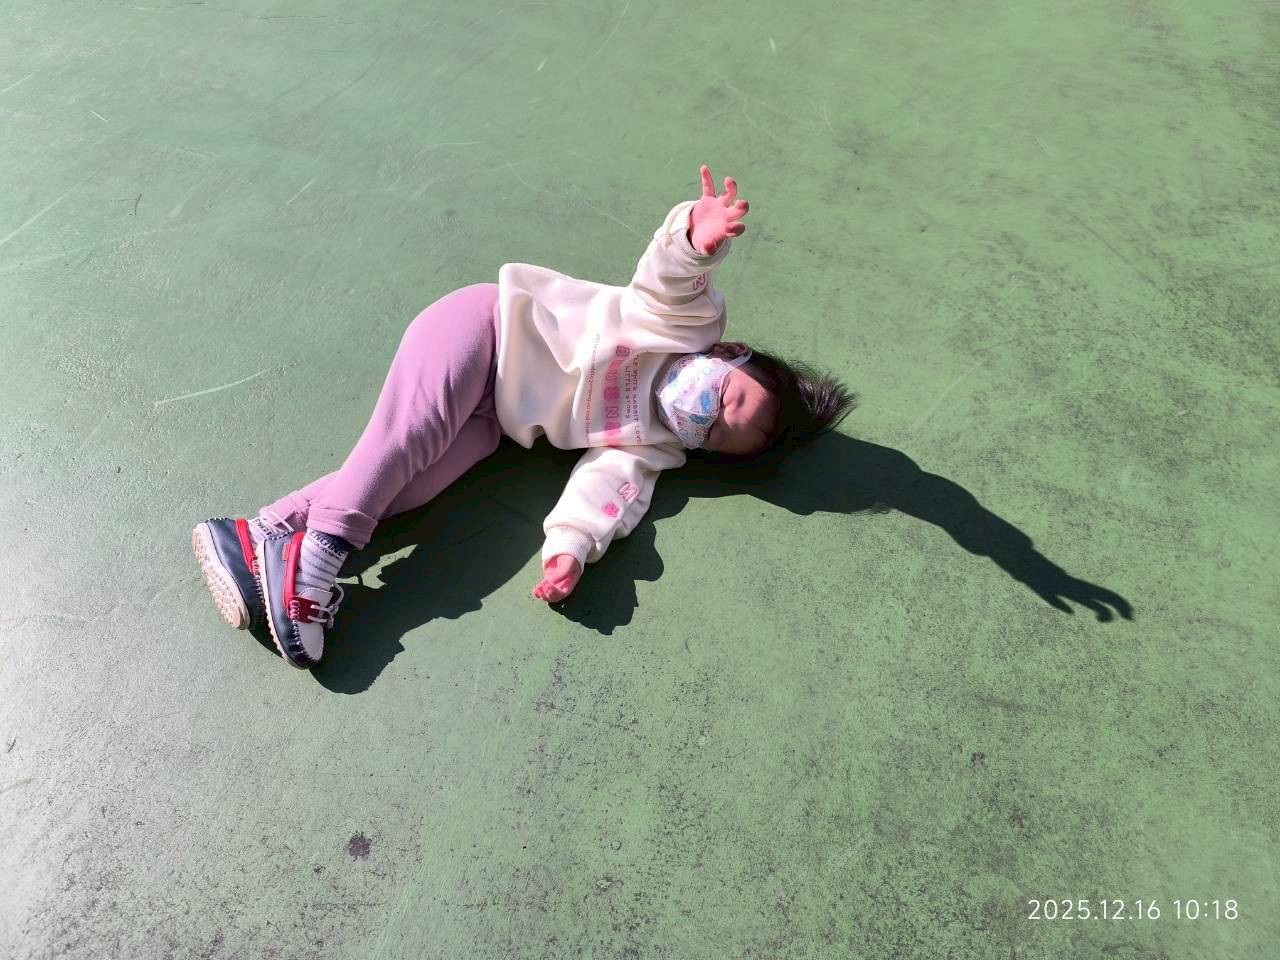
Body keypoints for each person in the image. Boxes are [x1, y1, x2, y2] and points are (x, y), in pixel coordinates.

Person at [192, 165, 857, 668]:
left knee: (417, 485)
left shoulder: (657, 443)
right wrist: (694, 238)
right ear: (730, 354)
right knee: (409, 437)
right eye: (728, 397)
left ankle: (263, 533)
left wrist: (571, 549)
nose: (703, 414)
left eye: (713, 434)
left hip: (495, 419)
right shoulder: (681, 327)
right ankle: (318, 560)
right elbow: (669, 276)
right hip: (483, 329)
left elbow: (608, 488)